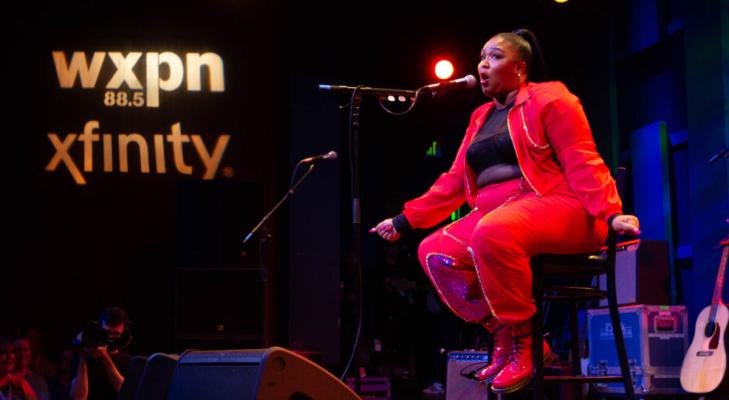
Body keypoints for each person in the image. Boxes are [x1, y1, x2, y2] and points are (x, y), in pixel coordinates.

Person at [371, 29, 640, 394]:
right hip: (495, 210)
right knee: (434, 252)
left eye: (495, 56)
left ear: (520, 68)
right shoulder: (480, 116)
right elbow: (453, 181)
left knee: (493, 231)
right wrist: (405, 220)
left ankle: (526, 345)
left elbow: (582, 159)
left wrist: (610, 213)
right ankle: (507, 336)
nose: (483, 65)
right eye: (481, 57)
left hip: (554, 201)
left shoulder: (552, 99)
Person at [69, 307, 131, 400]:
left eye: (116, 334)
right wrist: (83, 358)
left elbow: (127, 393)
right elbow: (79, 398)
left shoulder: (128, 361)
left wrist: (106, 358)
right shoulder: (82, 358)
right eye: (107, 333)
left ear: (124, 334)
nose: (110, 338)